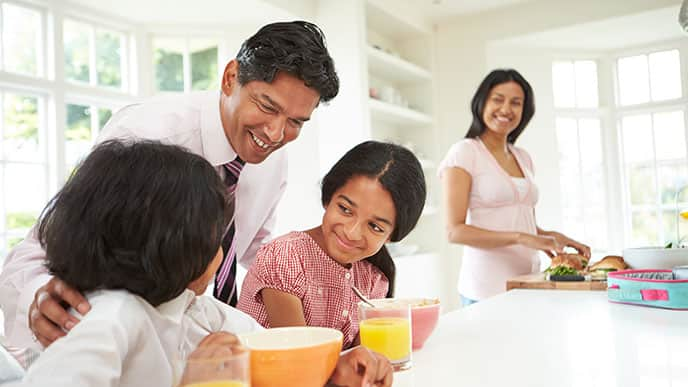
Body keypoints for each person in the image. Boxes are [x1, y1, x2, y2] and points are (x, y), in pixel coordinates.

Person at [0, 21, 392, 386]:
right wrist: (42, 294)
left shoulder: (271, 162)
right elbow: (60, 236)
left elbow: (256, 259)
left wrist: (325, 360)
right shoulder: (146, 136)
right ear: (230, 78)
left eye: (296, 122)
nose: (276, 133)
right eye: (268, 107)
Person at [6, 140, 392, 387]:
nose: (222, 254)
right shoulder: (108, 320)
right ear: (170, 249)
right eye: (214, 241)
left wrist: (335, 369)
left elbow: (276, 347)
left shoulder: (195, 307)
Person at [237, 141, 427, 349]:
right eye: (345, 209)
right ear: (328, 198)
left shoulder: (373, 279)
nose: (352, 232)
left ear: (392, 236)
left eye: (374, 226)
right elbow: (301, 360)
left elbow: (361, 359)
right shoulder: (284, 258)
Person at [438, 69, 591, 306]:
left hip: (529, 282)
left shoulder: (523, 157)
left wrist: (551, 237)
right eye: (498, 99)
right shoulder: (465, 152)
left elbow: (519, 221)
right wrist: (521, 238)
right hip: (485, 289)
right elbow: (454, 231)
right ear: (482, 103)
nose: (506, 109)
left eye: (516, 103)